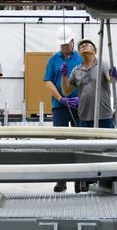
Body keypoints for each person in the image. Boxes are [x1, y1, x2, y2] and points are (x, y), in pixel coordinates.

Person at [42, 28, 82, 191]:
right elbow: (48, 81)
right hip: (60, 106)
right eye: (62, 45)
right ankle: (61, 179)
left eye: (66, 44)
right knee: (60, 142)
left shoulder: (81, 58)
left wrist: (82, 98)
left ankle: (81, 178)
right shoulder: (53, 60)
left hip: (79, 106)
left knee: (82, 142)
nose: (64, 48)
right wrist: (60, 98)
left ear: (72, 41)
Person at [61, 39, 117, 128]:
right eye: (81, 46)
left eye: (87, 44)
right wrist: (64, 76)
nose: (84, 45)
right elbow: (66, 91)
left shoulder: (103, 64)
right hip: (84, 117)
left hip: (103, 117)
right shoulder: (76, 70)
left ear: (94, 51)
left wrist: (113, 75)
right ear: (79, 53)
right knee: (86, 142)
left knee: (106, 142)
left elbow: (111, 79)